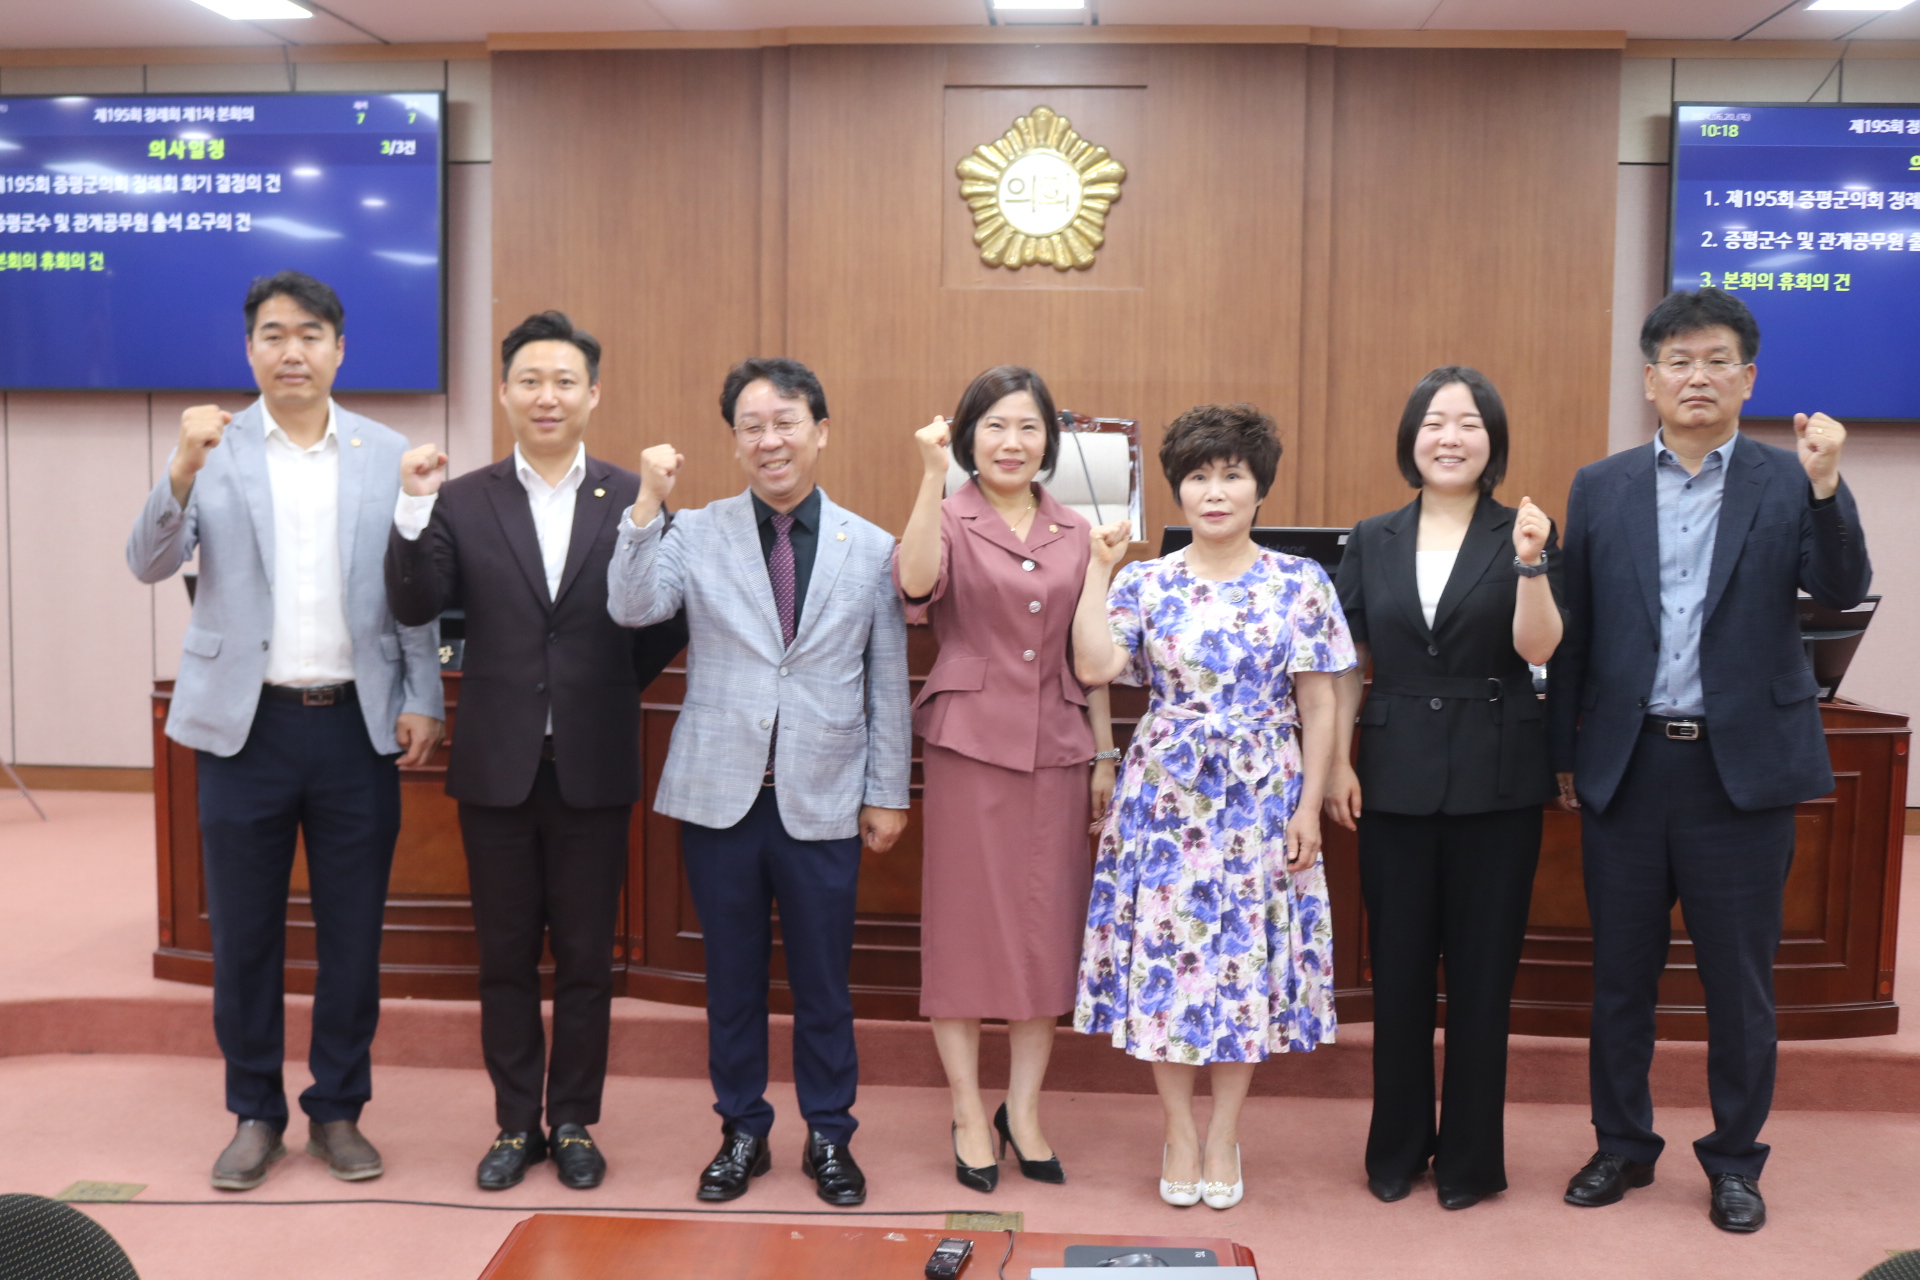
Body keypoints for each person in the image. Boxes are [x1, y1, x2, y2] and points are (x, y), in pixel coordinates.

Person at [1549, 288, 1871, 1233]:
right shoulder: (1600, 486)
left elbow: (1841, 587)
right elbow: (1576, 633)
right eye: (1680, 361)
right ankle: (1621, 1144)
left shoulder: (1788, 480)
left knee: (1739, 984)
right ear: (1650, 380)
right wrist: (1562, 754)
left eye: (1718, 360)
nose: (1699, 376)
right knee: (1622, 978)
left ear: (1749, 379)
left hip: (1743, 775)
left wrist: (1828, 484)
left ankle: (1735, 1159)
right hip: (1630, 766)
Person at [125, 271, 444, 1191]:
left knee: (352, 935)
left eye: (310, 334)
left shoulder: (387, 452)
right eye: (273, 334)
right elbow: (147, 562)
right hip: (244, 730)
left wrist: (423, 694)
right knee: (245, 937)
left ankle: (338, 1110)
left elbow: (411, 591)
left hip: (353, 727)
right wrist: (178, 469)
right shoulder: (210, 451)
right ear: (249, 350)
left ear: (340, 350)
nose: (292, 350)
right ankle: (255, 1113)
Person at [384, 311, 687, 1191]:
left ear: (593, 394)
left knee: (588, 960)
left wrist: (604, 687)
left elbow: (663, 619)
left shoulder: (632, 494)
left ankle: (575, 1120)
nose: (546, 396)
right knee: (506, 958)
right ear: (505, 392)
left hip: (594, 760)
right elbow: (414, 605)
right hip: (497, 765)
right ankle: (516, 1123)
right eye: (530, 380)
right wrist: (411, 506)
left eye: (564, 381)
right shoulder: (461, 498)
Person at [607, 357, 911, 1207]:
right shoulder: (696, 531)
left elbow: (887, 680)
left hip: (826, 796)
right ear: (735, 441)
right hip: (721, 797)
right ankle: (742, 1130)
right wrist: (646, 505)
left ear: (821, 431)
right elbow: (631, 607)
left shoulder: (870, 547)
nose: (769, 440)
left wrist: (888, 791)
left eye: (785, 422)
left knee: (824, 985)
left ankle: (829, 1134)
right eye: (751, 426)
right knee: (732, 982)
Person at [1071, 403, 1353, 1210]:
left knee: (1240, 966)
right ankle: (1178, 1131)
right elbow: (1094, 667)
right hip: (1166, 798)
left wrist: (1307, 807)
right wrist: (1096, 570)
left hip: (1262, 796)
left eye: (1233, 475)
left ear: (1260, 488)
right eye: (1199, 476)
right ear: (1178, 490)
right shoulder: (1145, 581)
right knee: (1169, 964)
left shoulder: (1301, 581)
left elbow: (1321, 702)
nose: (1216, 491)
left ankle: (1225, 1130)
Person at [1323, 367, 1563, 1211]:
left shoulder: (1526, 532)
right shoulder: (1373, 537)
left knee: (1482, 980)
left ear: (1493, 441)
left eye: (1468, 423)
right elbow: (1344, 661)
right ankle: (1396, 1147)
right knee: (1396, 975)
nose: (1450, 437)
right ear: (1411, 439)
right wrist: (1338, 760)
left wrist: (1531, 567)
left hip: (1498, 777)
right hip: (1393, 776)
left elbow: (1540, 650)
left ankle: (1470, 1159)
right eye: (1434, 422)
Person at [894, 366, 1119, 1193]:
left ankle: (1022, 1111)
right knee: (963, 934)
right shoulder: (948, 514)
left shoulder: (1075, 531)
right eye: (994, 426)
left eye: (1028, 427)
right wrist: (929, 479)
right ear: (967, 439)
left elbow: (1089, 655)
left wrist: (1104, 753)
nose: (1012, 442)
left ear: (1049, 440)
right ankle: (966, 1110)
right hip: (968, 746)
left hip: (1057, 747)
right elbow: (915, 583)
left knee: (1042, 934)